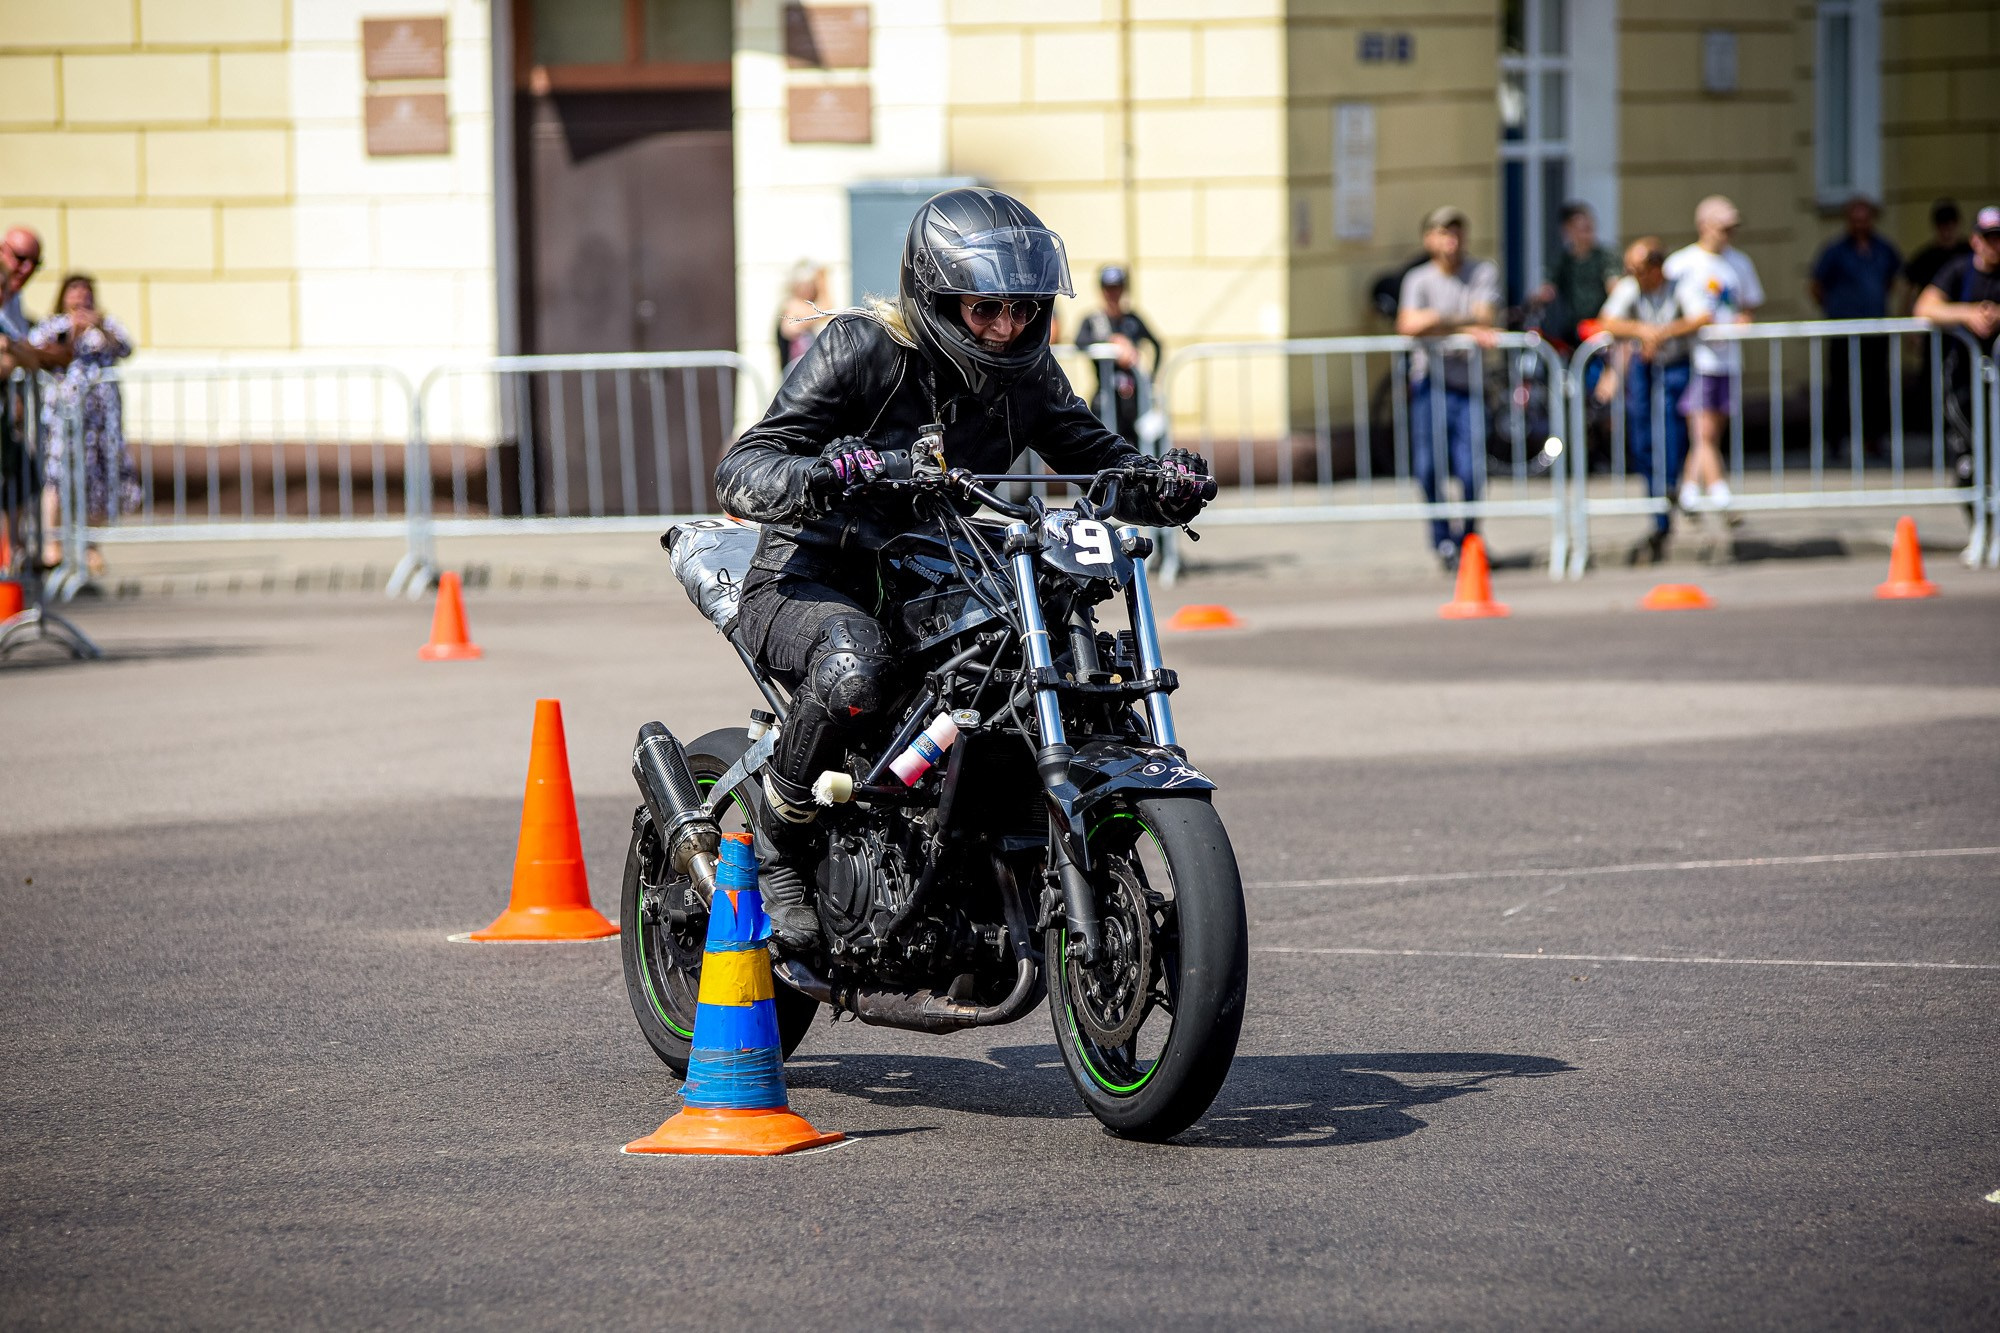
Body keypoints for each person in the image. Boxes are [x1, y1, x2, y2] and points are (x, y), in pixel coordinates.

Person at [714, 187, 1211, 949]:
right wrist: (827, 472)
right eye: (985, 309)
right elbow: (743, 465)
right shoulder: (864, 351)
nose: (1007, 327)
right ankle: (780, 839)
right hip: (809, 573)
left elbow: (1103, 463)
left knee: (1029, 655)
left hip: (935, 576)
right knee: (855, 666)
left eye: (1021, 308)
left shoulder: (1029, 376)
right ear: (937, 300)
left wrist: (1163, 486)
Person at [1395, 205, 1500, 569]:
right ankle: (1442, 541)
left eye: (1456, 232)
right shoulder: (1418, 279)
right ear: (1429, 239)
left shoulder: (1481, 272)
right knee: (1427, 469)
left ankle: (1469, 540)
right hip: (1430, 383)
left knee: (1471, 470)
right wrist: (1460, 324)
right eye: (1442, 233)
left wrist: (1439, 323)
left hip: (1468, 385)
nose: (1450, 241)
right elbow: (1409, 324)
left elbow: (1486, 316)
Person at [1595, 238, 1699, 563]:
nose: (1632, 275)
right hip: (1645, 367)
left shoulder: (1679, 285)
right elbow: (1606, 320)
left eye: (1637, 269)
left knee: (1670, 435)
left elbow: (1700, 316)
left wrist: (1662, 333)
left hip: (1675, 366)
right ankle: (1660, 513)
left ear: (1656, 269)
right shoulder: (1631, 288)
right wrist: (1642, 329)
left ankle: (1669, 492)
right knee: (1641, 441)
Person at [30, 274, 137, 573]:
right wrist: (73, 333)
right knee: (56, 476)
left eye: (86, 293)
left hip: (100, 419)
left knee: (97, 480)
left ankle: (91, 547)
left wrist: (99, 326)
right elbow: (37, 352)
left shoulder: (107, 325)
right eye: (74, 292)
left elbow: (127, 349)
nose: (80, 299)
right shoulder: (54, 325)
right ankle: (53, 544)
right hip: (62, 416)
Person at [1665, 195, 1764, 516]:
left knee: (1710, 432)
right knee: (1703, 431)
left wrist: (1743, 322)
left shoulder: (1740, 262)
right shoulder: (1682, 263)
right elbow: (1665, 309)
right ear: (1705, 225)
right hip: (1694, 359)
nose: (1729, 234)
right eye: (1724, 227)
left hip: (1727, 359)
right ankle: (1719, 490)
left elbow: (1748, 305)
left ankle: (1690, 490)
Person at [1912, 204, 2000, 562]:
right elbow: (1925, 306)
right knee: (1967, 462)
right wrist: (1965, 312)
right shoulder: (1959, 270)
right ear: (1975, 240)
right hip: (1963, 382)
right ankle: (1980, 526)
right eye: (1989, 239)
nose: (1994, 247)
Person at [1810, 195, 1902, 458]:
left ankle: (1874, 440)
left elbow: (1893, 279)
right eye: (1855, 220)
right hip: (1843, 329)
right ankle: (1835, 442)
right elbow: (1816, 286)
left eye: (1865, 219)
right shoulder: (1835, 251)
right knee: (1840, 387)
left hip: (1875, 329)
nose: (1860, 224)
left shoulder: (1883, 249)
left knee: (1875, 386)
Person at [1073, 264, 1162, 446]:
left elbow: (1157, 344)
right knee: (1105, 444)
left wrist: (1150, 380)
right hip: (1105, 396)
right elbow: (1079, 342)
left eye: (1117, 288)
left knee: (1138, 448)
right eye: (1108, 288)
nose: (1113, 293)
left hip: (1133, 399)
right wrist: (1112, 344)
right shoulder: (1093, 320)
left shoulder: (1133, 319)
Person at [1536, 201, 1620, 348]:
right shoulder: (1562, 261)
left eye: (1590, 228)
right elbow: (1548, 290)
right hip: (1571, 329)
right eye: (1582, 229)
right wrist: (1535, 300)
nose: (1587, 234)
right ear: (1567, 231)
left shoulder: (1605, 257)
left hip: (1601, 327)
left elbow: (1614, 286)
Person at [1903, 199, 1971, 307]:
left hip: (1968, 314)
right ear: (1936, 226)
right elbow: (1907, 292)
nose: (1947, 230)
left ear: (1958, 223)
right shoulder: (1924, 258)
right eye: (1942, 224)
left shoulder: (1970, 252)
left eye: (1950, 224)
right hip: (1933, 317)